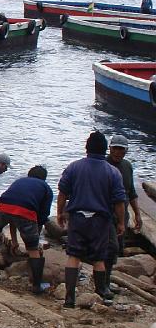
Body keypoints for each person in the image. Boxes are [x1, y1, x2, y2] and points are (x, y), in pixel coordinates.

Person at [57, 131, 126, 308]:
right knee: (98, 259)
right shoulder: (113, 172)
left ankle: (69, 298)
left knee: (73, 256)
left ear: (87, 148)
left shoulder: (74, 167)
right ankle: (101, 294)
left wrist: (60, 213)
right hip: (100, 220)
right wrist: (121, 222)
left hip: (78, 218)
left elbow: (63, 193)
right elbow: (119, 201)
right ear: (105, 150)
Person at [0, 166, 53, 294]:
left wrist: (14, 241)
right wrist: (34, 239)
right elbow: (42, 216)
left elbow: (12, 216)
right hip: (25, 212)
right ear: (44, 178)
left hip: (2, 207)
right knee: (33, 249)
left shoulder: (19, 181)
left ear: (29, 174)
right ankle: (37, 286)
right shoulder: (46, 188)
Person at [103, 134, 143, 291]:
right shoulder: (103, 165)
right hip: (105, 214)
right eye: (115, 149)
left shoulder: (127, 166)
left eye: (121, 149)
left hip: (122, 215)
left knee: (117, 248)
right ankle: (103, 284)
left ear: (126, 151)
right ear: (110, 149)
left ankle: (107, 279)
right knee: (109, 247)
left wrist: (137, 214)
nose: (118, 152)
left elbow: (131, 192)